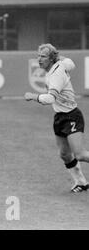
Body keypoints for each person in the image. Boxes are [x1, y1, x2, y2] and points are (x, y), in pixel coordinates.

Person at [24, 43, 89, 193]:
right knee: (64, 154)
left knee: (80, 154)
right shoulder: (59, 66)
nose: (39, 59)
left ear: (52, 59)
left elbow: (49, 99)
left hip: (71, 116)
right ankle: (81, 182)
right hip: (60, 117)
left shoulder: (56, 75)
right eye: (38, 56)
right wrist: (61, 59)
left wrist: (32, 96)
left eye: (43, 56)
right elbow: (70, 63)